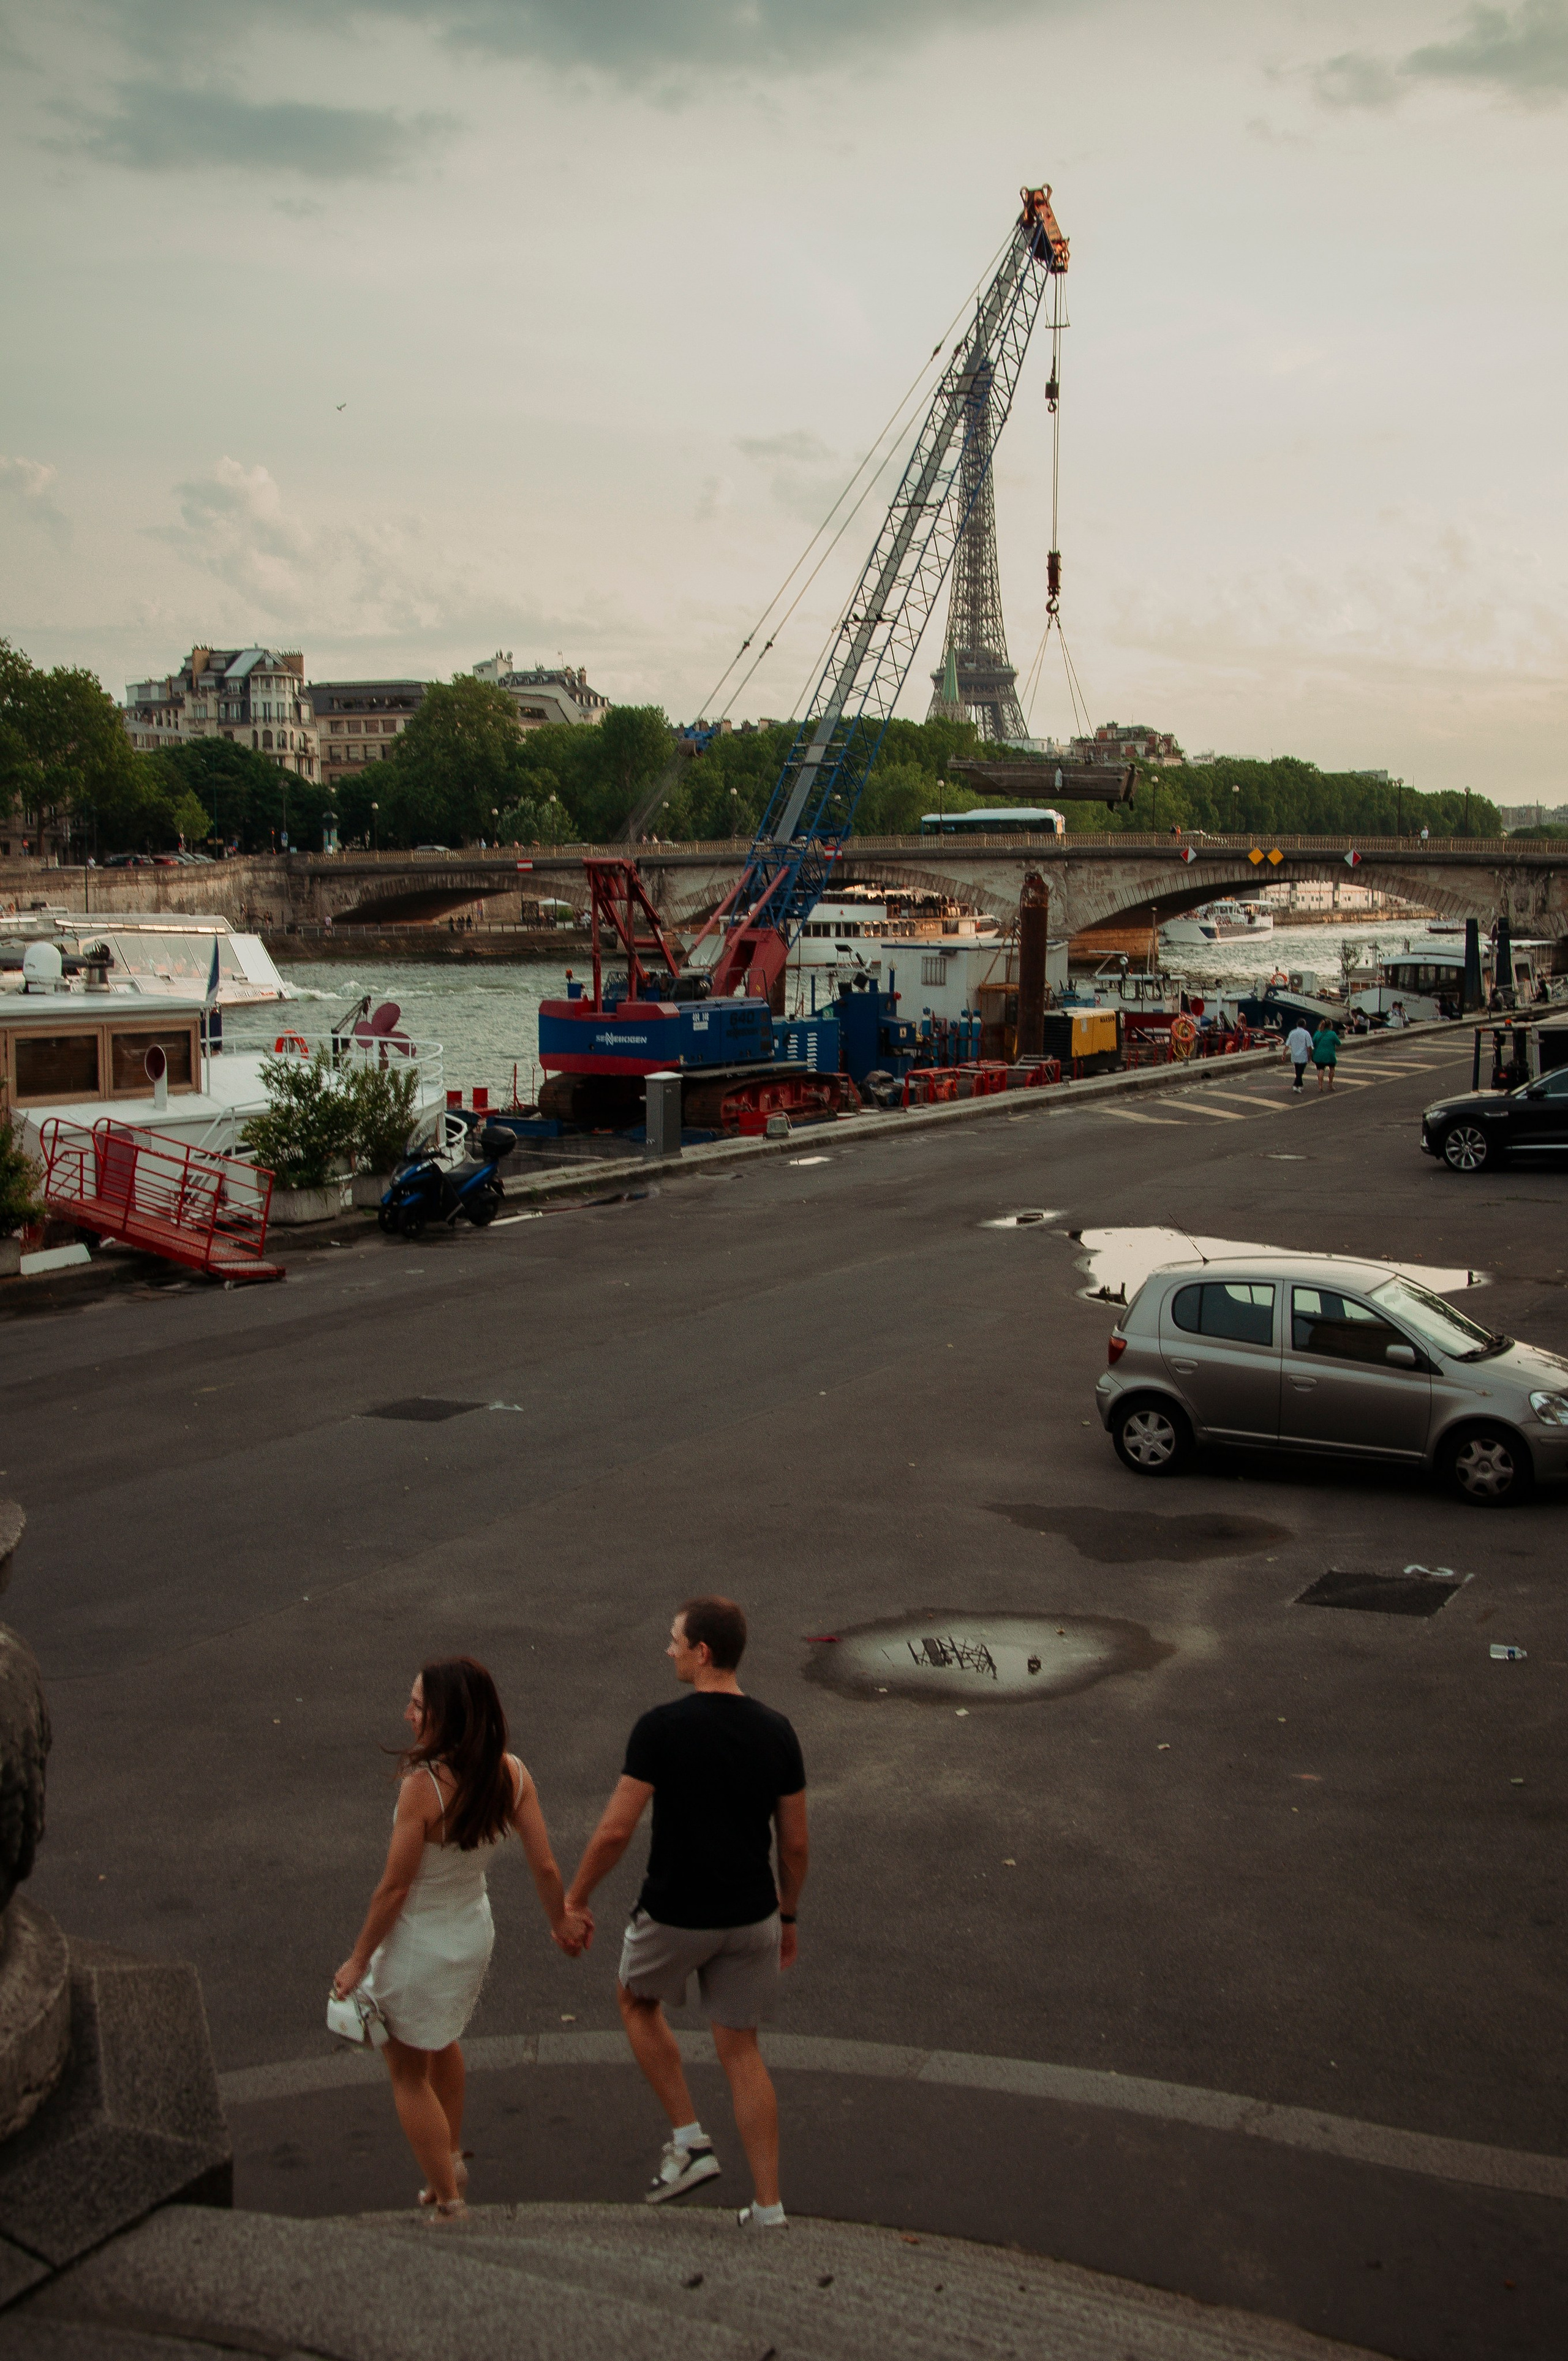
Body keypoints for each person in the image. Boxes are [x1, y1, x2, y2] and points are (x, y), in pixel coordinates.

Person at [564, 1598, 808, 2231]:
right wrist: (787, 1917)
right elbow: (797, 1842)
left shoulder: (661, 1728)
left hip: (676, 1912)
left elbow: (617, 1829)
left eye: (674, 1640)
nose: (667, 1649)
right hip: (752, 1914)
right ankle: (768, 2204)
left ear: (702, 1652)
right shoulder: (777, 1730)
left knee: (634, 2000)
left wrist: (577, 1896)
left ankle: (690, 2139)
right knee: (741, 2051)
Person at [334, 1659, 587, 2222]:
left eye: (418, 1705)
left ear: (446, 1716)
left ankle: (448, 2198)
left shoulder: (421, 1788)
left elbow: (395, 1888)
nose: (408, 1713)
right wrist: (561, 1923)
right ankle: (448, 2158)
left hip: (419, 1941)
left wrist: (357, 1960)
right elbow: (545, 1866)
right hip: (472, 1931)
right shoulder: (513, 1773)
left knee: (406, 2070)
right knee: (443, 2038)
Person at [1284, 1019, 1313, 1093]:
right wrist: (1310, 1056)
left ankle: (1300, 1085)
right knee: (1301, 1071)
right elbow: (1309, 1046)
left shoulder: (1292, 1033)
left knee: (1298, 1071)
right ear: (1304, 1025)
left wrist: (1284, 1054)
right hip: (1303, 1056)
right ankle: (1295, 1085)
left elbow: (1287, 1045)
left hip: (1294, 1055)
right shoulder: (1306, 1033)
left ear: (1297, 1024)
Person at [1311, 1017, 1339, 1093]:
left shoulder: (1317, 1033)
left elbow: (1313, 1043)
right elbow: (1339, 1043)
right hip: (1330, 1056)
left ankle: (1320, 1086)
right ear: (1330, 1026)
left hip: (1319, 1056)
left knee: (1321, 1070)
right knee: (1332, 1069)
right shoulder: (1332, 1034)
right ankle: (1330, 1085)